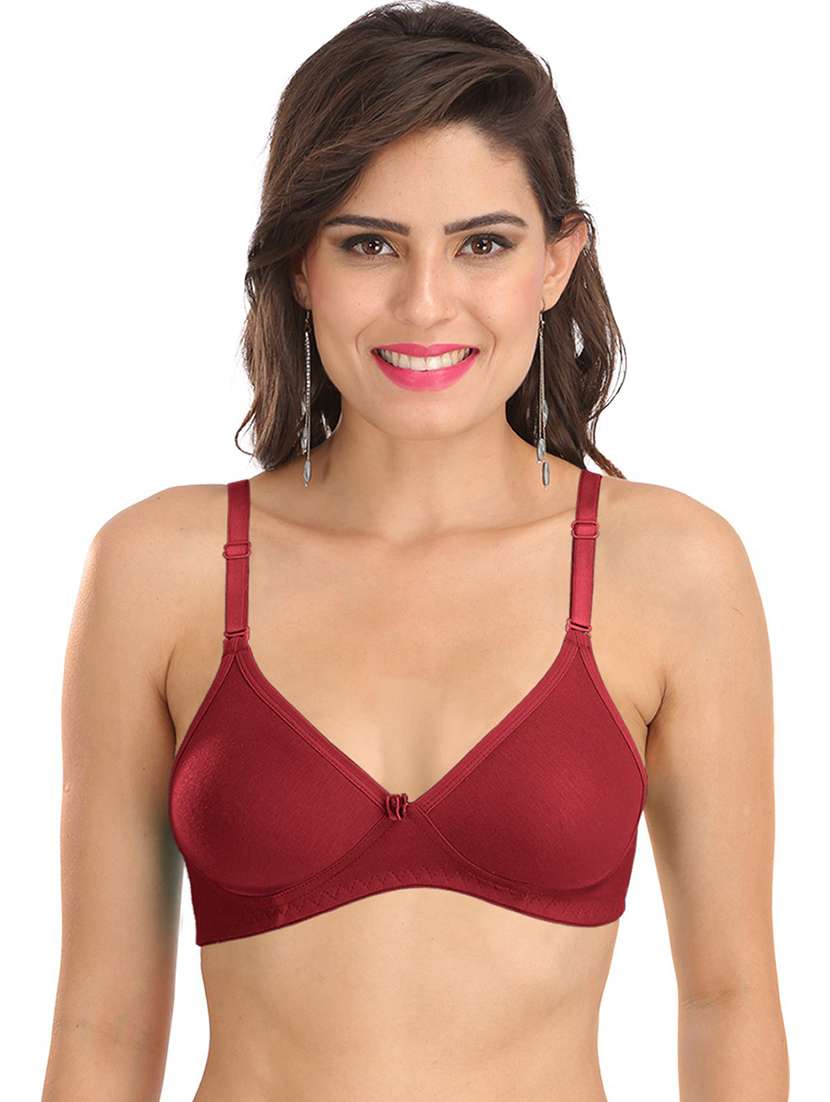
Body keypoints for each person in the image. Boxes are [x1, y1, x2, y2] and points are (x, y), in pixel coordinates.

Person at [41, 3, 788, 1100]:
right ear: (301, 264)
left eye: (482, 244)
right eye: (369, 244)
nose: (425, 303)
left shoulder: (672, 568)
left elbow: (728, 995)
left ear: (557, 260)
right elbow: (102, 1025)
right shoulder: (160, 569)